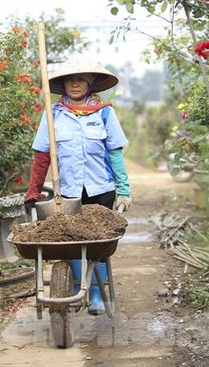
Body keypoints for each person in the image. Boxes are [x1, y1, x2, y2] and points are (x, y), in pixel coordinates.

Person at [24, 54, 132, 314]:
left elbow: (115, 154)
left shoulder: (104, 113)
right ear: (64, 84)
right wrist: (33, 191)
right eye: (70, 80)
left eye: (80, 80)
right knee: (71, 242)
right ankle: (76, 288)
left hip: (101, 189)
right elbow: (41, 157)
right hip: (68, 193)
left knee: (98, 244)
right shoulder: (53, 116)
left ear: (90, 83)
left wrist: (124, 191)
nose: (75, 85)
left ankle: (95, 294)